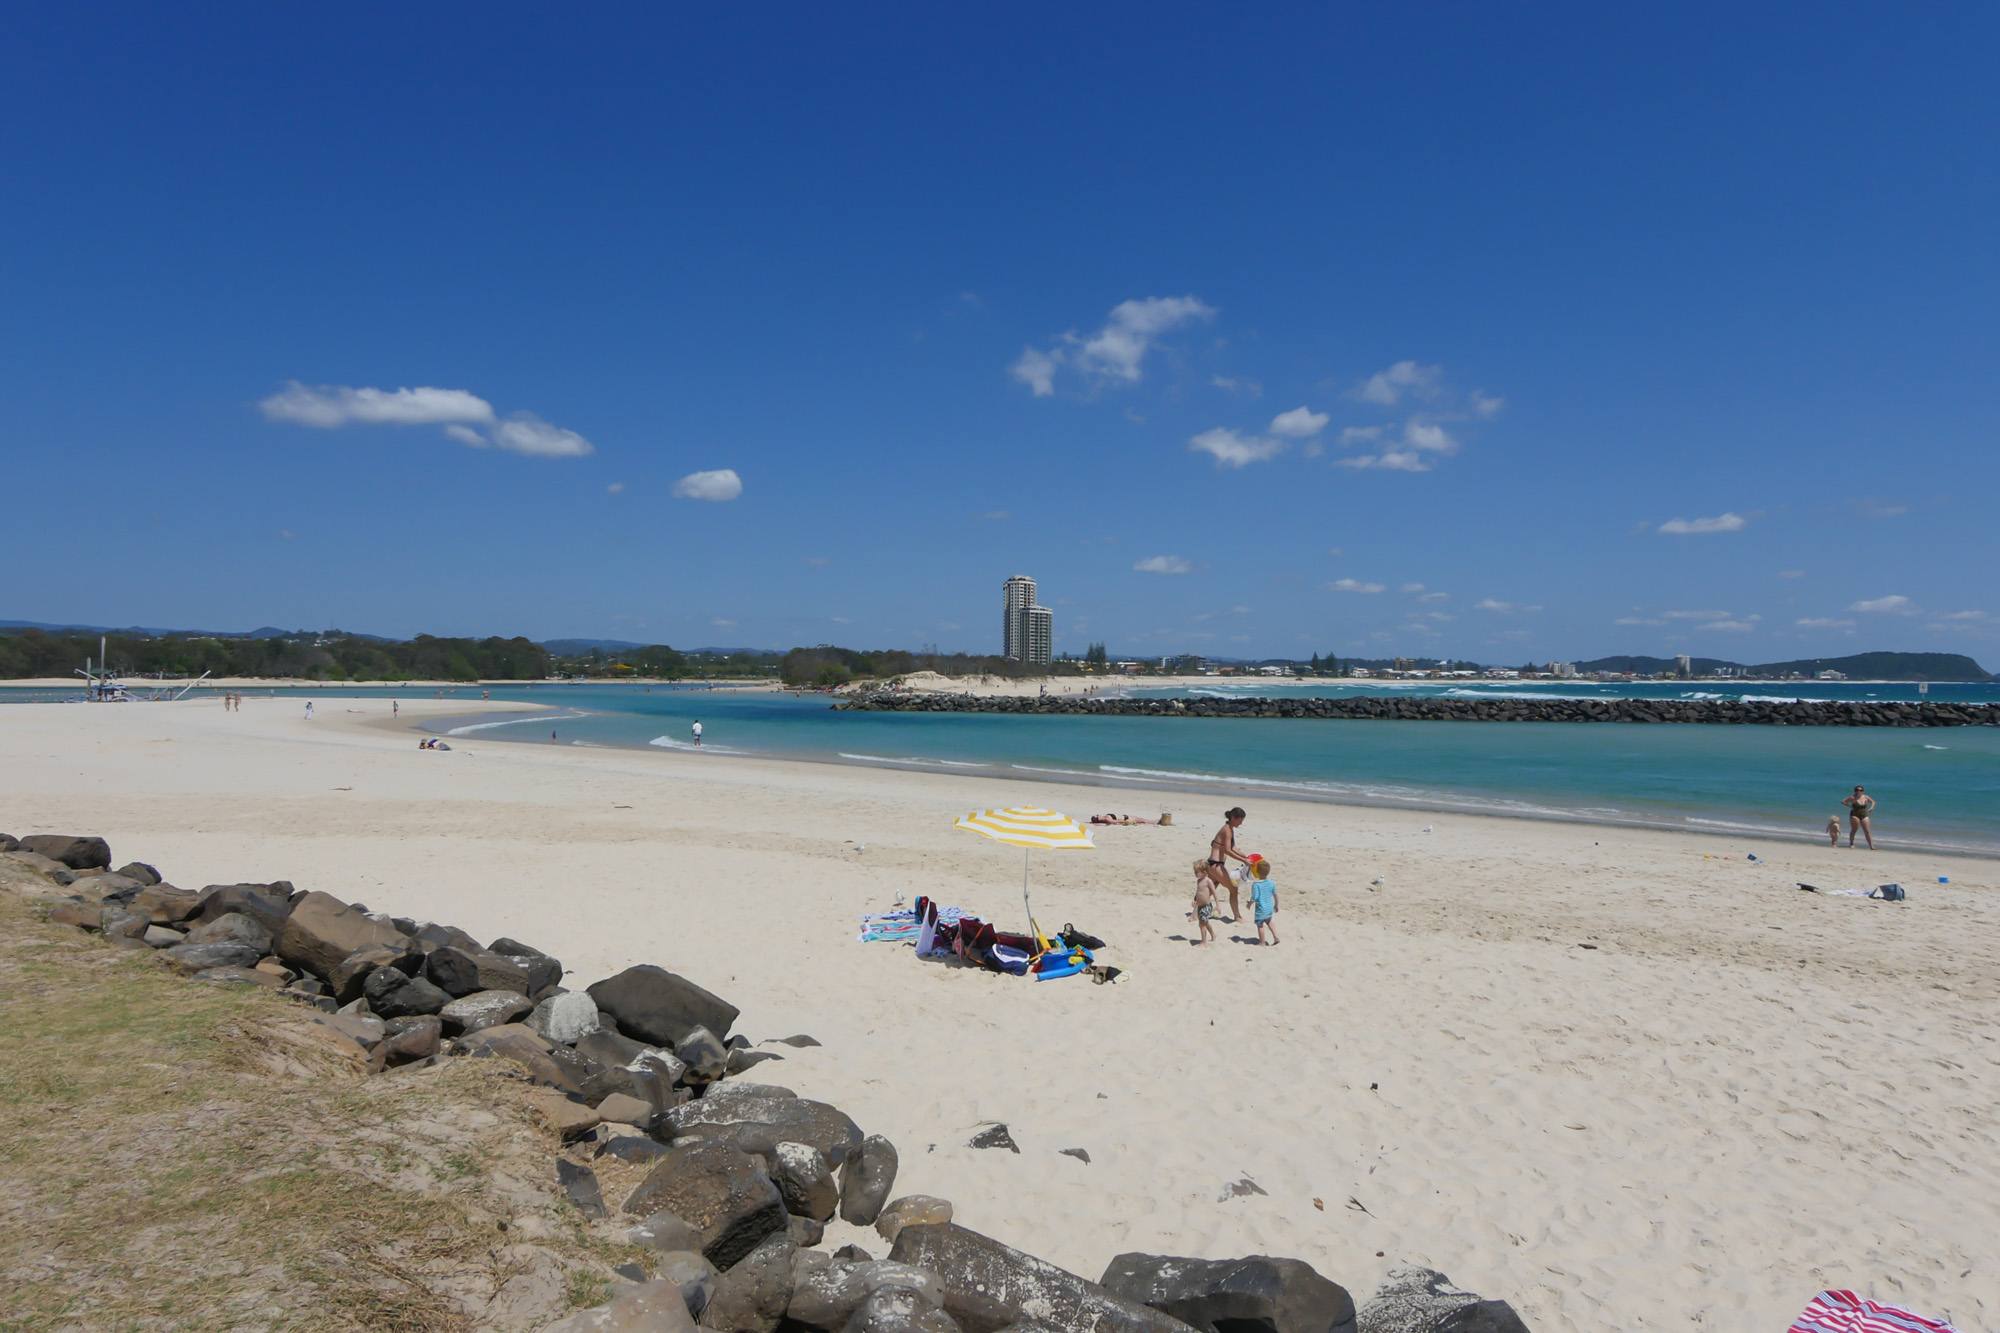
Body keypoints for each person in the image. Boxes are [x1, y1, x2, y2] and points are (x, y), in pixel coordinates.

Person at [1200, 807, 1251, 922]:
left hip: (1214, 864)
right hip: (1216, 865)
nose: (1241, 823)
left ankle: (1196, 912)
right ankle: (1237, 916)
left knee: (1208, 891)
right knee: (1233, 888)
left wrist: (1246, 857)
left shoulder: (1230, 829)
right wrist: (1244, 861)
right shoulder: (1227, 830)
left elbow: (1233, 847)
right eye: (1240, 820)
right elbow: (1228, 851)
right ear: (1233, 818)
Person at [1249, 859, 1279, 946]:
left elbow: (1254, 897)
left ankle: (1262, 943)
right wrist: (1276, 905)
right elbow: (1275, 894)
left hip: (1261, 909)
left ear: (1257, 872)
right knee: (1269, 921)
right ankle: (1276, 935)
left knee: (1260, 926)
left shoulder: (1256, 885)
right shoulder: (1270, 882)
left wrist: (1249, 904)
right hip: (1269, 907)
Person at [1843, 785, 1877, 850]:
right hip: (1855, 814)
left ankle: (1871, 845)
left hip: (1864, 814)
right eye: (1857, 790)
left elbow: (1873, 802)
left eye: (1860, 790)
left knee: (1867, 830)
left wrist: (1872, 808)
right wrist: (1850, 806)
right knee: (1854, 829)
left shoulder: (1866, 797)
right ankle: (1851, 843)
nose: (1859, 791)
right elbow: (1843, 801)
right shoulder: (1852, 797)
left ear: (1863, 791)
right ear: (1855, 791)